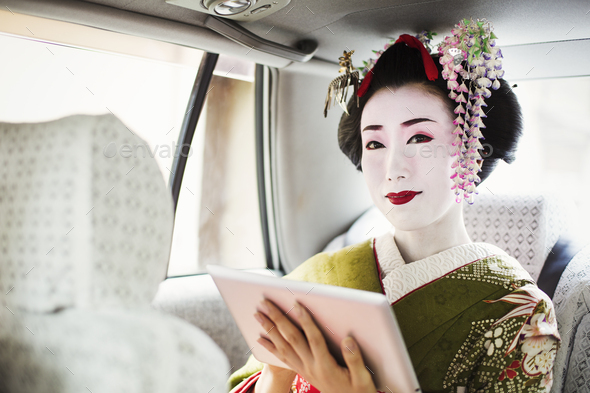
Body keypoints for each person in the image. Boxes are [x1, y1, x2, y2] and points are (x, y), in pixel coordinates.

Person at [228, 19, 560, 393]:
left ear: (472, 152)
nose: (393, 169)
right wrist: (276, 376)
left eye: (419, 137)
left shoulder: (520, 311)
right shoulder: (317, 276)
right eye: (375, 144)